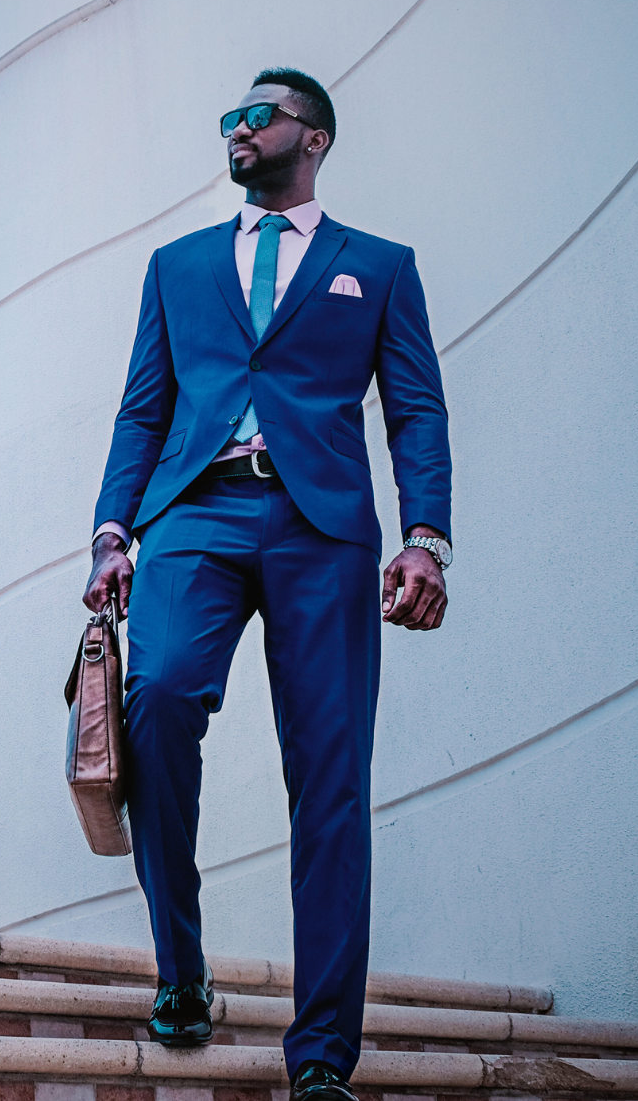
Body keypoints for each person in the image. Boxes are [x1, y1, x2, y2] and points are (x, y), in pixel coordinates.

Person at [82, 67, 452, 1101]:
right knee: (154, 703)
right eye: (229, 120)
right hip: (192, 514)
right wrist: (112, 530)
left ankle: (323, 1054)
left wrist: (425, 537)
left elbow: (414, 412)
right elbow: (139, 410)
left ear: (314, 139)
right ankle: (182, 971)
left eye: (260, 116)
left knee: (329, 776)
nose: (238, 131)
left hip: (321, 529)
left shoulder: (377, 268)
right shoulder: (178, 266)